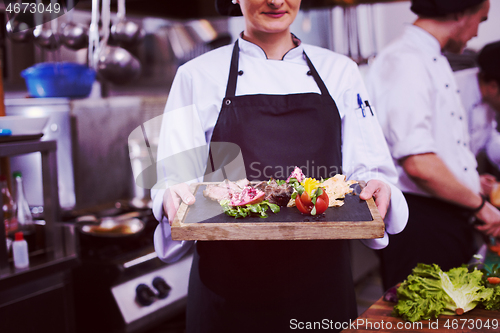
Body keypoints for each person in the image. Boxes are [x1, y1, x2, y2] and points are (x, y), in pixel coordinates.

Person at [152, 0, 408, 331]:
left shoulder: (340, 71)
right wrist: (170, 197)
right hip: (226, 287)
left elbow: (370, 169)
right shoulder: (194, 75)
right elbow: (174, 177)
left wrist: (379, 188)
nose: (275, 1)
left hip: (321, 284)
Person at [365, 0, 500, 292]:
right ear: (461, 12)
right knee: (424, 318)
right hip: (422, 222)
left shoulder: (429, 57)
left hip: (445, 215)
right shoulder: (406, 60)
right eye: (482, 18)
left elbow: (439, 147)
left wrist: (471, 181)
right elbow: (419, 164)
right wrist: (481, 207)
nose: (478, 32)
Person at [454, 41, 500, 196]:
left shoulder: (488, 96)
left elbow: (488, 137)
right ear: (493, 86)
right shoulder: (454, 91)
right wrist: (472, 180)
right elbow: (441, 154)